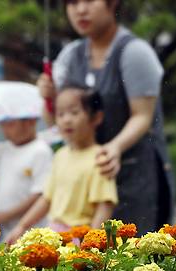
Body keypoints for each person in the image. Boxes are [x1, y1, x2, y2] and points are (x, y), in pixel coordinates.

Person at [37, 0, 174, 234]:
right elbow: (54, 122)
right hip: (87, 188)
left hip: (134, 178)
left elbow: (142, 116)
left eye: (89, 1)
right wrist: (47, 99)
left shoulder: (135, 52)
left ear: (112, 4)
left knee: (133, 257)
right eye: (72, 3)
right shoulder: (70, 55)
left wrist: (114, 147)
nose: (80, 10)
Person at [6, 87, 117, 244]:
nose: (66, 120)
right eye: (60, 114)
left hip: (80, 237)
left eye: (74, 112)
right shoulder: (60, 155)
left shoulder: (100, 157)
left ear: (96, 118)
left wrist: (92, 243)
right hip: (54, 235)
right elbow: (46, 199)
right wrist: (22, 226)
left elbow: (105, 204)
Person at [0, 118, 53, 240]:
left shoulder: (40, 151)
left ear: (30, 122)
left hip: (28, 230)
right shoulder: (4, 149)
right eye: (2, 124)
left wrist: (5, 216)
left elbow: (40, 195)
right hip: (0, 229)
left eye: (10, 124)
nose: (5, 130)